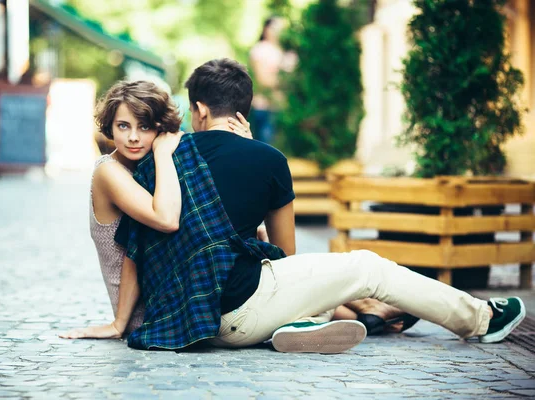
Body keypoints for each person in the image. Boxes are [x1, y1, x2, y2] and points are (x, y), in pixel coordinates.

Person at [114, 58, 526, 354]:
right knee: (367, 267)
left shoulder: (162, 157)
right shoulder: (269, 159)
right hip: (243, 313)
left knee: (320, 280)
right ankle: (482, 318)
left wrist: (119, 321)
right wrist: (256, 149)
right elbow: (286, 255)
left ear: (198, 109)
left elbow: (139, 246)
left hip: (187, 319)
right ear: (244, 108)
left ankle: (307, 320)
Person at [59, 80, 254, 340]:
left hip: (187, 300)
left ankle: (318, 316)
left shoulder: (156, 165)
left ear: (161, 128)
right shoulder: (108, 171)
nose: (133, 137)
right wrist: (163, 155)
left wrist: (244, 146)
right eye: (123, 126)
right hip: (153, 316)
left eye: (145, 126)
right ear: (110, 126)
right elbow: (167, 219)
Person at [249, 16, 297, 144]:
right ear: (266, 29)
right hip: (264, 106)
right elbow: (263, 80)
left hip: (283, 108)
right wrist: (285, 82)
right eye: (275, 27)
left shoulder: (288, 52)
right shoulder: (260, 49)